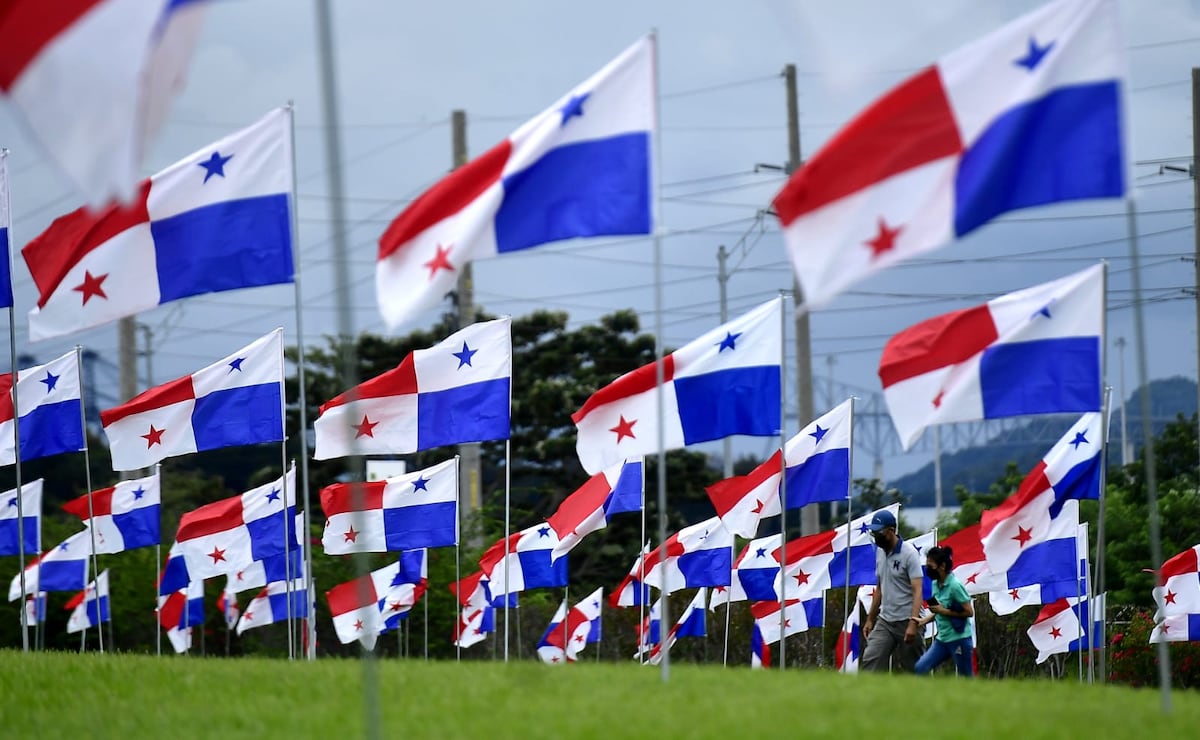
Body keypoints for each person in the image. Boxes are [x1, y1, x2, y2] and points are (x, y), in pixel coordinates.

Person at [861, 509, 925, 672]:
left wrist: (913, 623)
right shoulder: (880, 553)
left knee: (915, 669)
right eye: (873, 532)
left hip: (908, 620)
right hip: (886, 620)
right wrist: (870, 619)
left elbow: (918, 590)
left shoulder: (909, 554)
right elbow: (880, 587)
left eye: (879, 532)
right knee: (870, 659)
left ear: (891, 531)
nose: (876, 536)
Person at [915, 545, 975, 677]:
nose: (928, 568)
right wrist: (924, 620)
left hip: (959, 639)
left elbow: (969, 612)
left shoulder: (955, 586)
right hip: (942, 639)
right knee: (920, 668)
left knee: (966, 677)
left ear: (942, 566)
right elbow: (939, 610)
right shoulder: (935, 584)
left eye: (930, 565)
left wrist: (944, 611)